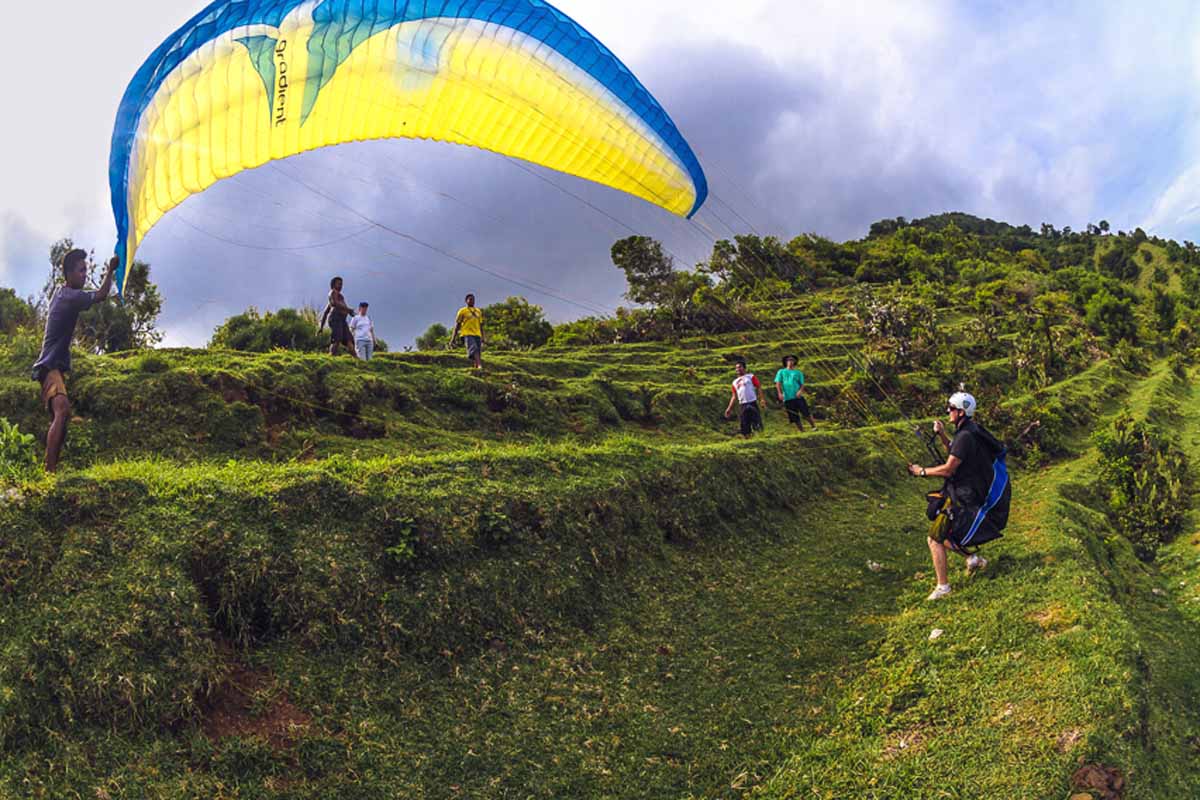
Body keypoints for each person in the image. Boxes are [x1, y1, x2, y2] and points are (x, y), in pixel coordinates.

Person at [908, 392, 1011, 601]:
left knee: (934, 539)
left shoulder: (965, 435)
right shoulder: (969, 431)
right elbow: (956, 452)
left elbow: (948, 469)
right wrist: (943, 435)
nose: (948, 411)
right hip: (965, 491)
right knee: (943, 533)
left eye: (951, 408)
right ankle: (972, 558)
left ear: (961, 411)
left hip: (965, 496)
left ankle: (943, 587)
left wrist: (921, 471)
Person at [31, 249, 116, 472]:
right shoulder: (69, 296)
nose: (85, 274)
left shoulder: (61, 293)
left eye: (86, 270)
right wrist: (110, 270)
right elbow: (100, 295)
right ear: (69, 274)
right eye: (81, 270)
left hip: (53, 366)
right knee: (62, 410)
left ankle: (51, 470)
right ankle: (49, 473)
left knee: (61, 416)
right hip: (49, 366)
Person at [724, 360, 765, 438]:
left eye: (740, 367)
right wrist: (729, 408)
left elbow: (758, 387)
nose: (738, 369)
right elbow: (734, 396)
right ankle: (748, 438)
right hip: (742, 404)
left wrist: (762, 399)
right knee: (744, 423)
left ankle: (761, 437)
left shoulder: (750, 377)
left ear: (744, 368)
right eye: (736, 368)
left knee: (757, 421)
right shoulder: (734, 382)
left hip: (752, 402)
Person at [774, 355, 815, 431]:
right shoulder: (781, 372)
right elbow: (778, 383)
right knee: (793, 415)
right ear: (786, 362)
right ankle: (802, 431)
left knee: (805, 412)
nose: (790, 361)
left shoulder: (798, 373)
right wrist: (779, 393)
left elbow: (802, 384)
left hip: (797, 396)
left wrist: (800, 391)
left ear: (795, 362)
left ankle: (813, 426)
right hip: (787, 397)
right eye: (788, 360)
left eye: (792, 360)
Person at [319, 276, 356, 357]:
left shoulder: (340, 296)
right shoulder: (332, 292)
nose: (341, 286)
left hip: (342, 320)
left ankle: (356, 359)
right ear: (333, 284)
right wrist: (348, 309)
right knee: (337, 339)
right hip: (336, 318)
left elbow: (326, 312)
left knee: (349, 339)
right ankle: (331, 356)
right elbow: (334, 303)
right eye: (339, 284)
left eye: (341, 284)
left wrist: (348, 311)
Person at [452, 293, 485, 370]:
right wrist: (453, 338)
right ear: (466, 301)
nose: (472, 301)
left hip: (477, 334)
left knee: (478, 352)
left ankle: (476, 368)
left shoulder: (478, 311)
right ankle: (480, 365)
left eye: (473, 299)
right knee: (474, 348)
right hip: (467, 334)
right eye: (470, 299)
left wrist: (483, 337)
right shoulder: (462, 311)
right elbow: (457, 325)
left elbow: (481, 325)